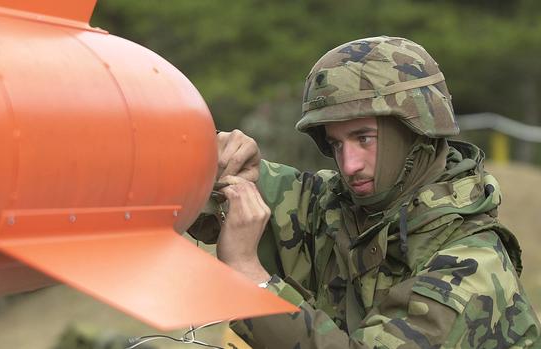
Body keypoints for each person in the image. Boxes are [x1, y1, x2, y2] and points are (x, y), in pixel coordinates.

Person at [189, 36, 541, 348]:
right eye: (336, 143)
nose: (349, 164)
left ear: (415, 132)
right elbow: (189, 190)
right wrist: (222, 164)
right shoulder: (340, 206)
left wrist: (250, 278)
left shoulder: (471, 266)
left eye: (363, 138)